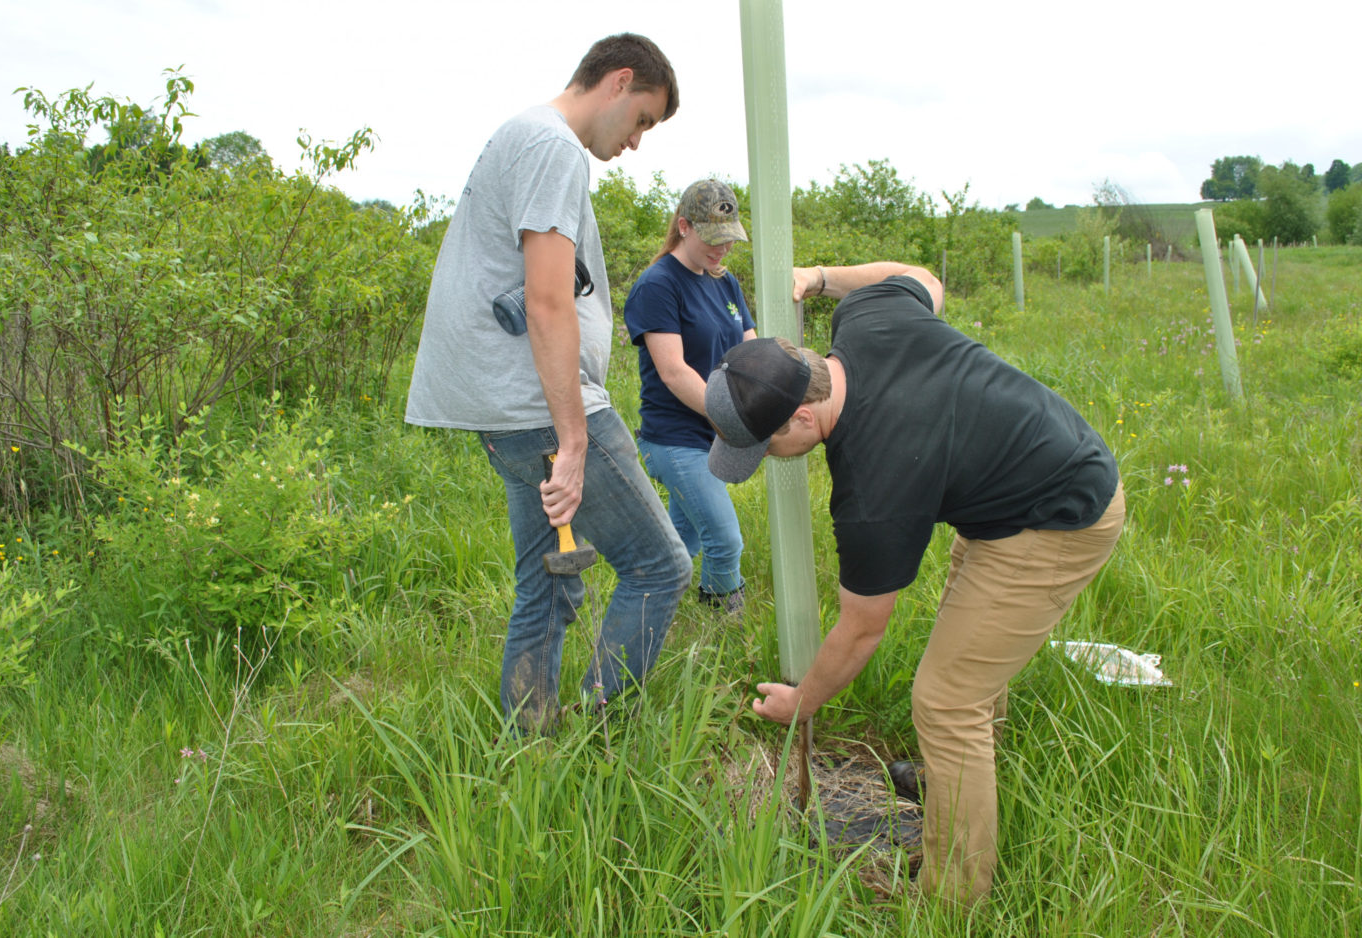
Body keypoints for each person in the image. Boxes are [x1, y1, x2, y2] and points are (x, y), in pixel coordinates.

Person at [706, 261, 1125, 904]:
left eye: (762, 449)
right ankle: (959, 778)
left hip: (1061, 516)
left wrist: (802, 702)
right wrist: (820, 278)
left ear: (800, 421)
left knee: (946, 700)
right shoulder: (868, 316)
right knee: (967, 660)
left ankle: (951, 898)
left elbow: (861, 630)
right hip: (1016, 492)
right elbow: (921, 275)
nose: (765, 462)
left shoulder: (873, 488)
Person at [404, 34, 693, 732]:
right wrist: (572, 440)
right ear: (619, 82)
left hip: (509, 411)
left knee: (545, 582)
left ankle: (529, 745)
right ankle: (598, 732)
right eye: (643, 121)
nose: (635, 142)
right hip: (541, 410)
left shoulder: (526, 136)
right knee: (661, 568)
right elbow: (548, 299)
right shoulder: (553, 146)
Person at [624, 179, 757, 614]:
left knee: (686, 540)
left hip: (715, 436)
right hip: (674, 438)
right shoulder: (659, 284)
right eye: (713, 240)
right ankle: (725, 627)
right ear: (684, 226)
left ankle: (650, 609)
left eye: (729, 241)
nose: (722, 251)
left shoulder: (725, 284)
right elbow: (675, 372)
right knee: (724, 538)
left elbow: (748, 349)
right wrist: (730, 417)